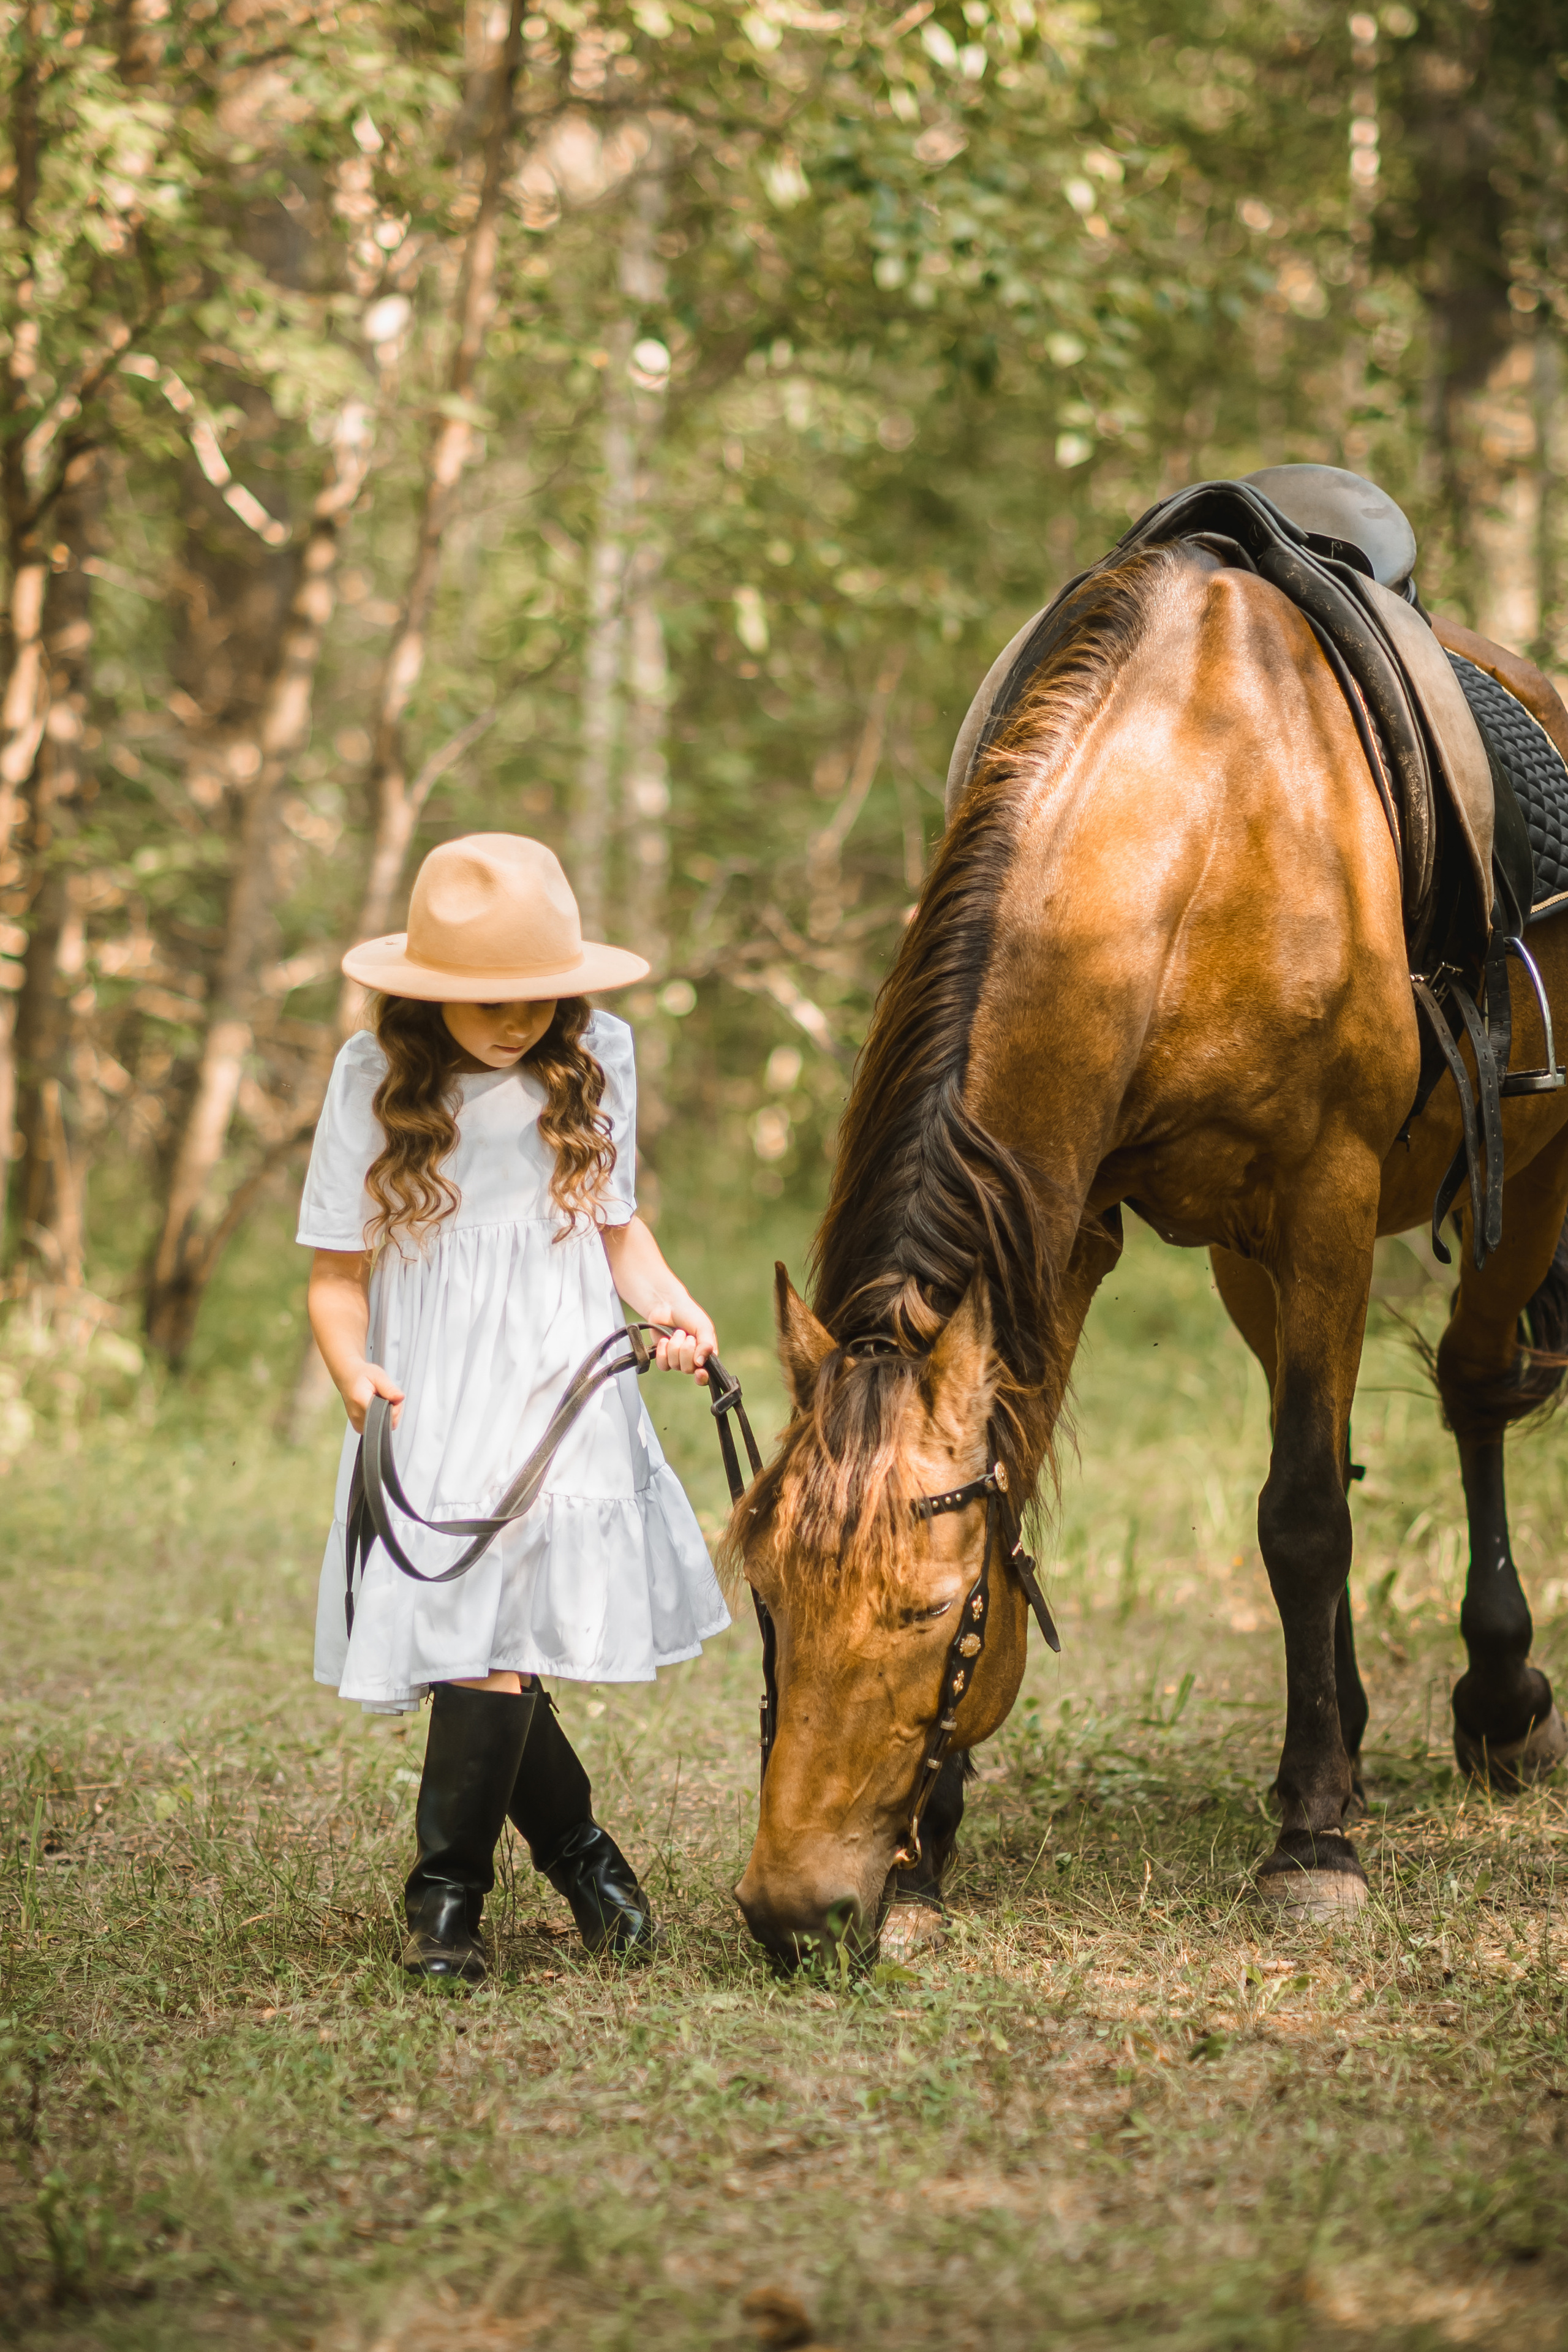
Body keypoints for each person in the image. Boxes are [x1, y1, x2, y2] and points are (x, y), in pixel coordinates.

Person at [298, 832, 728, 1983]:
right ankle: (582, 1858)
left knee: (496, 1643)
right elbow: (338, 1275)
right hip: (434, 1382)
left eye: (543, 993)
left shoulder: (602, 1060)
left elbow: (616, 1228)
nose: (519, 1017)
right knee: (474, 1643)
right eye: (489, 998)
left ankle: (448, 1900)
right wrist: (354, 1374)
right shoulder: (373, 1080)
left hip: (559, 1376)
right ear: (428, 995)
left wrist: (677, 1312)